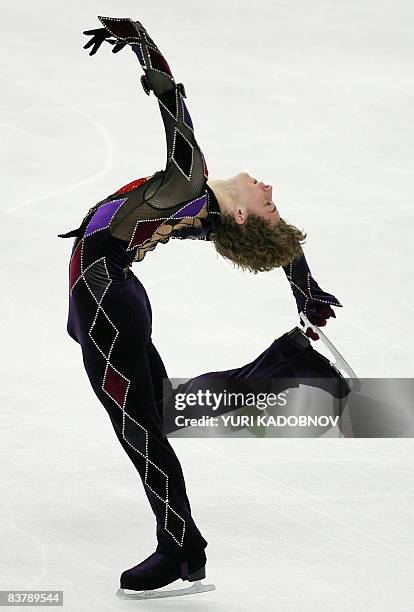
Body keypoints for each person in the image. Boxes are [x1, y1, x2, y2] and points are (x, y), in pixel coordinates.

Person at [58, 15, 343, 598]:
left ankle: (179, 546)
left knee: (139, 429)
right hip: (109, 300)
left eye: (267, 204)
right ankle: (277, 374)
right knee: (153, 419)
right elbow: (283, 246)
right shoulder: (198, 215)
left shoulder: (189, 186)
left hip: (108, 298)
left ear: (240, 216)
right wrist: (306, 289)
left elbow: (174, 114)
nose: (269, 191)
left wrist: (142, 44)